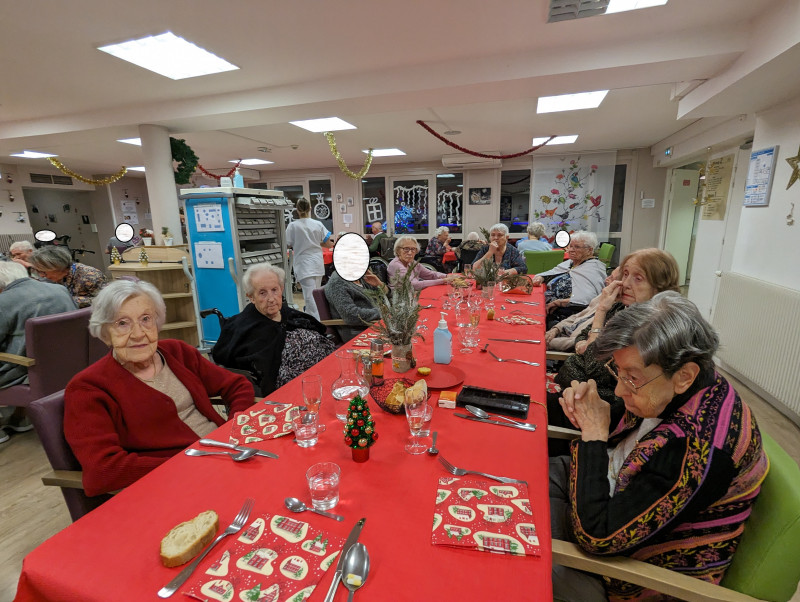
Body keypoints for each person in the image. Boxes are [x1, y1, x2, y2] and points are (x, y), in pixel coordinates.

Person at [550, 292, 769, 601]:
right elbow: (625, 426)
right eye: (619, 373)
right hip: (607, 488)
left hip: (630, 574)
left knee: (497, 542)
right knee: (505, 474)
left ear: (684, 376)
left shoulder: (698, 451)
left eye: (631, 378)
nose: (619, 389)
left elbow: (598, 536)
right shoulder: (682, 385)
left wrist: (594, 434)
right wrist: (587, 407)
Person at [64, 280, 254, 496]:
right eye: (122, 323)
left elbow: (237, 385)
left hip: (228, 454)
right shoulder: (88, 388)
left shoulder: (177, 351)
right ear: (105, 332)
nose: (138, 334)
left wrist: (236, 427)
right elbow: (103, 469)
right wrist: (188, 463)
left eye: (146, 319)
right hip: (173, 484)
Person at [550, 248, 680, 430]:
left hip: (594, 407)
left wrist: (600, 313)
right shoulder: (620, 308)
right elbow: (583, 335)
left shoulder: (647, 328)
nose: (625, 283)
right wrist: (588, 341)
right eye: (625, 274)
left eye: (638, 278)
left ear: (660, 286)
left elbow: (595, 368)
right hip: (569, 387)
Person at [212, 264, 335, 396]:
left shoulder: (287, 313)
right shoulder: (244, 327)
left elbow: (316, 327)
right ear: (251, 297)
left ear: (281, 289)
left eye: (274, 290)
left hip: (327, 374)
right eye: (262, 293)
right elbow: (224, 356)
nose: (271, 299)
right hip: (298, 390)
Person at [0, 261, 76, 444]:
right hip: (70, 363)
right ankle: (20, 418)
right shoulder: (59, 290)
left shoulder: (5, 301)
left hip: (29, 371)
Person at [531, 231, 606, 326]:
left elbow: (589, 300)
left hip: (568, 316)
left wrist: (559, 302)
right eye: (570, 246)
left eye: (577, 247)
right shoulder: (571, 263)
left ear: (589, 250)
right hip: (548, 306)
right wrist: (542, 277)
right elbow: (553, 272)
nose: (571, 250)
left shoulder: (594, 268)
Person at [545, 267, 620, 352]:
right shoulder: (604, 296)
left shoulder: (615, 313)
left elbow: (583, 342)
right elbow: (577, 316)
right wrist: (556, 329)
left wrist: (550, 342)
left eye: (612, 278)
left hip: (566, 346)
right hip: (563, 332)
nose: (606, 279)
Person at [285, 198, 333, 320]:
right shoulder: (318, 224)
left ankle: (316, 322)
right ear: (310, 208)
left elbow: (288, 244)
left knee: (309, 296)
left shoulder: (292, 226)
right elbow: (328, 244)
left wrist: (302, 243)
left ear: (297, 209)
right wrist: (315, 242)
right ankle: (319, 320)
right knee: (316, 294)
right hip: (316, 263)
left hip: (303, 264)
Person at [30, 245, 107, 308]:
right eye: (38, 271)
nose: (41, 275)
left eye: (43, 272)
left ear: (58, 266)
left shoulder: (90, 276)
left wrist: (67, 299)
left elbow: (105, 301)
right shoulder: (50, 278)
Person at [324, 269, 385, 341]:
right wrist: (381, 312)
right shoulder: (337, 283)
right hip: (358, 331)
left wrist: (381, 286)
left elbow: (386, 299)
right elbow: (351, 315)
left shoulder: (361, 277)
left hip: (377, 324)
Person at [387, 236, 456, 291]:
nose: (410, 253)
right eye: (406, 249)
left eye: (413, 249)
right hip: (401, 302)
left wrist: (447, 276)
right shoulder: (396, 265)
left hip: (413, 296)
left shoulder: (412, 263)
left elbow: (430, 274)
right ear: (398, 250)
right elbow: (414, 285)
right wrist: (443, 280)